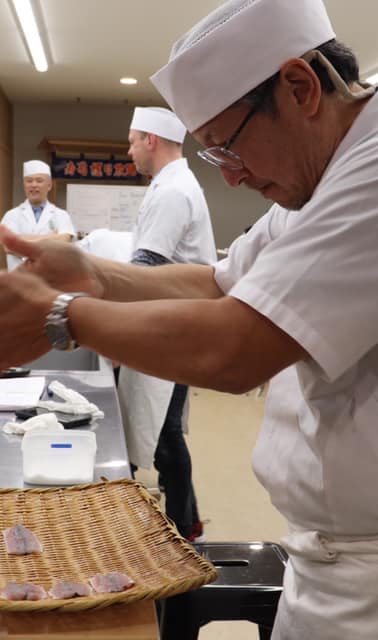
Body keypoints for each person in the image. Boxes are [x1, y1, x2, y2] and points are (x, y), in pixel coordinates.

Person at [0, 0, 378, 637]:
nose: (233, 179)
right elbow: (219, 284)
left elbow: (235, 349)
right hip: (338, 562)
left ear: (301, 87)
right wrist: (93, 274)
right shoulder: (324, 179)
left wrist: (64, 317)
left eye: (229, 147)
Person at [120, 106, 217, 541]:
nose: (130, 150)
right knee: (166, 430)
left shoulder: (173, 191)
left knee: (164, 432)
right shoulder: (171, 184)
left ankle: (182, 526)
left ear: (151, 141)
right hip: (171, 322)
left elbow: (145, 265)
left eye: (133, 140)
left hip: (171, 327)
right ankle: (185, 520)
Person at [0, 160, 75, 270]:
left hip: (50, 280)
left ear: (49, 185)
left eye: (39, 181)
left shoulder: (61, 215)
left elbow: (64, 242)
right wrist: (51, 238)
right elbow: (9, 246)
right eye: (29, 181)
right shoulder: (12, 215)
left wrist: (21, 240)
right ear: (24, 185)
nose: (34, 185)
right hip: (19, 280)